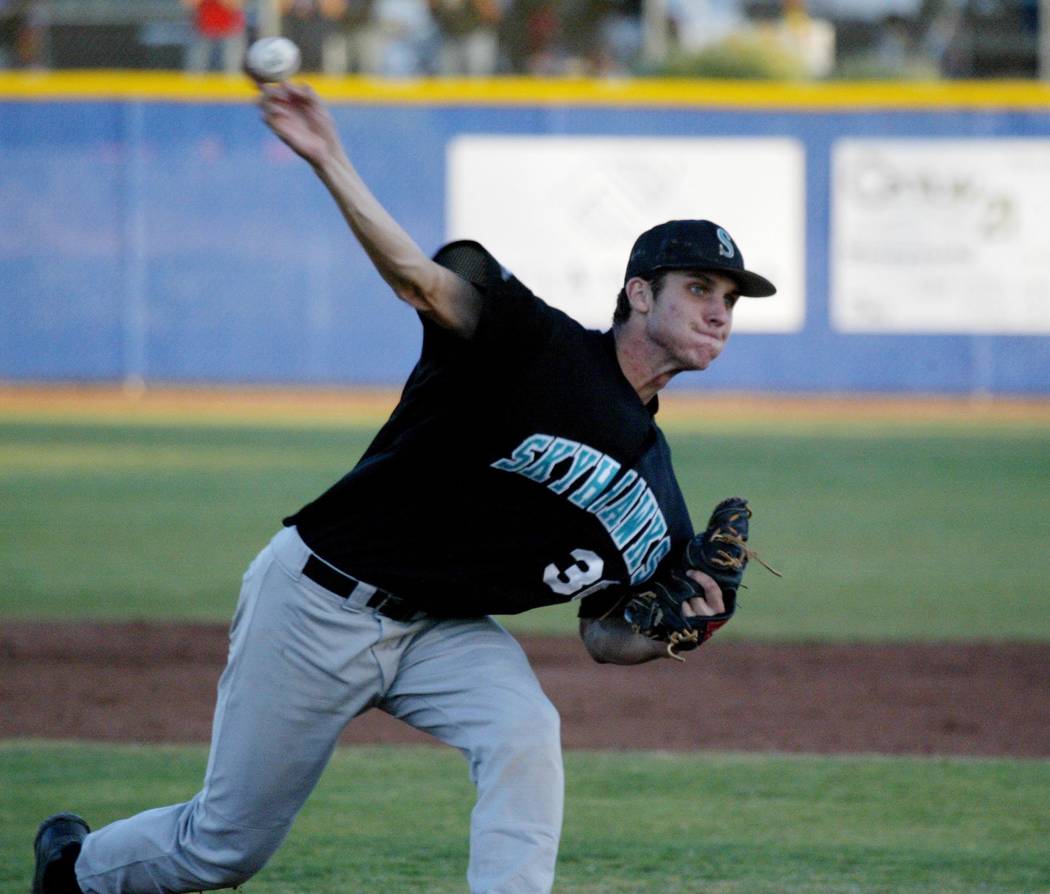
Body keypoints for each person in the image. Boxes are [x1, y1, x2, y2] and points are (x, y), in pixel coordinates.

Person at [31, 83, 776, 894]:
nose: (720, 312)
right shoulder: (533, 343)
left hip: (440, 633)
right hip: (320, 600)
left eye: (729, 299)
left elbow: (604, 635)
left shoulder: (654, 491)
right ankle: (74, 874)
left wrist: (683, 628)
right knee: (223, 849)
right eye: (700, 288)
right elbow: (421, 281)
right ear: (639, 293)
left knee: (526, 731)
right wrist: (328, 158)